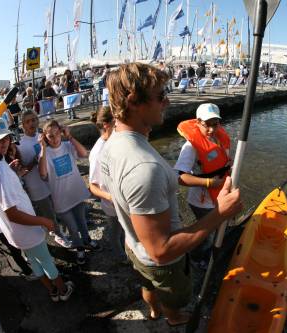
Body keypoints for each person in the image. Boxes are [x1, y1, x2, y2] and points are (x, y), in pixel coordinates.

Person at [100, 63, 242, 326]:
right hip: (160, 262)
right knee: (173, 294)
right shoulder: (145, 168)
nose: (167, 102)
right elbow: (161, 251)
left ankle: (154, 312)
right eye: (160, 96)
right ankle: (174, 318)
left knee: (148, 285)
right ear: (133, 101)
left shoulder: (110, 145)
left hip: (133, 246)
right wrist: (221, 212)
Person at [0, 118, 74, 302]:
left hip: (16, 233)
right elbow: (12, 213)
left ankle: (52, 292)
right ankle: (63, 290)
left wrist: (11, 172)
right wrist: (44, 221)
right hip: (25, 229)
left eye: (6, 138)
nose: (4, 143)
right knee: (46, 261)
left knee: (35, 264)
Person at [174, 103, 231, 292]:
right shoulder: (191, 147)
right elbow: (179, 177)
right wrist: (208, 184)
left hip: (218, 195)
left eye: (216, 124)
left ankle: (205, 251)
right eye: (208, 124)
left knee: (216, 228)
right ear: (198, 122)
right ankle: (197, 258)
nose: (212, 129)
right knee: (205, 233)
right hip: (201, 200)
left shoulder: (218, 138)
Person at [38, 120, 100, 265]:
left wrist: (70, 137)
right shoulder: (44, 154)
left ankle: (87, 240)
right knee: (72, 227)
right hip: (61, 198)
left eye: (56, 134)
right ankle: (79, 248)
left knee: (82, 222)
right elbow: (42, 174)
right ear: (45, 137)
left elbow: (84, 153)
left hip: (76, 193)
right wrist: (43, 148)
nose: (54, 139)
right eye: (50, 136)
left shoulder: (67, 146)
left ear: (61, 132)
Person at [17, 110, 72, 248]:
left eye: (34, 119)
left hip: (52, 181)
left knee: (58, 207)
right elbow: (21, 171)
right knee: (48, 213)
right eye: (28, 121)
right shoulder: (20, 145)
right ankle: (58, 235)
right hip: (36, 186)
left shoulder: (44, 136)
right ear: (23, 125)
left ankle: (61, 228)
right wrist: (36, 160)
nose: (32, 123)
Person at [88, 107, 126, 262]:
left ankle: (125, 250)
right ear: (106, 124)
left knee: (124, 230)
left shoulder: (116, 140)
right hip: (112, 204)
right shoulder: (98, 152)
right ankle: (120, 257)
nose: (119, 123)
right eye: (115, 121)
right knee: (115, 233)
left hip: (123, 201)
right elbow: (93, 186)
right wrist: (111, 197)